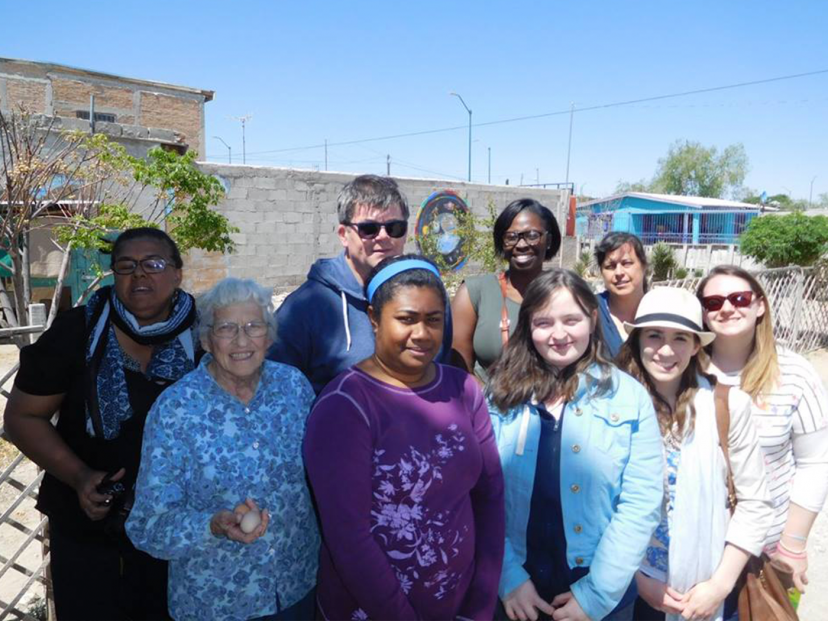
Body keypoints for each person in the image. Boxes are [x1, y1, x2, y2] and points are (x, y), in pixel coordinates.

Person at [4, 227, 197, 620]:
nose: (139, 275)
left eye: (154, 264)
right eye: (126, 266)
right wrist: (79, 476)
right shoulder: (78, 331)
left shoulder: (209, 332)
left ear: (178, 273)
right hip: (90, 532)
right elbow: (22, 416)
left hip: (181, 532)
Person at [303, 254, 505, 620]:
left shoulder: (462, 389)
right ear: (374, 319)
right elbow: (349, 539)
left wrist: (480, 604)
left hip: (458, 607)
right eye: (406, 319)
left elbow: (490, 497)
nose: (422, 334)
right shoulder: (345, 406)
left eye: (434, 319)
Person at [126, 278, 319, 621]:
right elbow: (147, 526)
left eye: (253, 326)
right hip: (216, 603)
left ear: (270, 335)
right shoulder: (176, 410)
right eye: (226, 328)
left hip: (297, 587)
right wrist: (212, 526)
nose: (241, 340)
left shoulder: (295, 388)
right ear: (206, 339)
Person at [488, 268, 663, 621]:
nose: (559, 334)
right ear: (528, 326)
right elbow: (480, 494)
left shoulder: (628, 397)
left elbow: (641, 503)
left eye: (572, 320)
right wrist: (507, 577)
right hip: (519, 592)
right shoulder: (500, 396)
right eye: (544, 322)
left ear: (592, 319)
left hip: (599, 593)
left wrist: (595, 596)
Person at [616, 287, 773, 621]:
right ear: (638, 339)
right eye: (654, 335)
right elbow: (597, 502)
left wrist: (718, 586)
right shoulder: (613, 406)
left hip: (707, 590)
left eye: (680, 339)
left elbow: (755, 502)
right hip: (627, 587)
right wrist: (638, 580)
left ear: (697, 344)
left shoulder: (728, 405)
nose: (666, 350)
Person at [696, 265, 828, 596]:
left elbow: (816, 462)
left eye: (739, 298)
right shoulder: (682, 369)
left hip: (766, 552)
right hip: (695, 549)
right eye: (713, 302)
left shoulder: (794, 373)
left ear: (760, 305)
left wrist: (793, 545)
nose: (727, 308)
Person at [267, 174, 453, 394]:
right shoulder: (306, 308)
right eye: (369, 229)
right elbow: (275, 392)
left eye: (394, 227)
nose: (383, 237)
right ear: (344, 235)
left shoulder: (427, 298)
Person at [451, 198, 562, 382]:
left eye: (532, 235)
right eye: (511, 237)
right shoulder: (475, 292)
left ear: (548, 240)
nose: (521, 244)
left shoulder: (564, 293)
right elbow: (459, 371)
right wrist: (491, 406)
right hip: (489, 406)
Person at [593, 232, 648, 358]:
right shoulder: (591, 311)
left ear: (643, 266)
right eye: (610, 266)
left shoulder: (661, 310)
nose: (619, 272)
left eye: (627, 263)